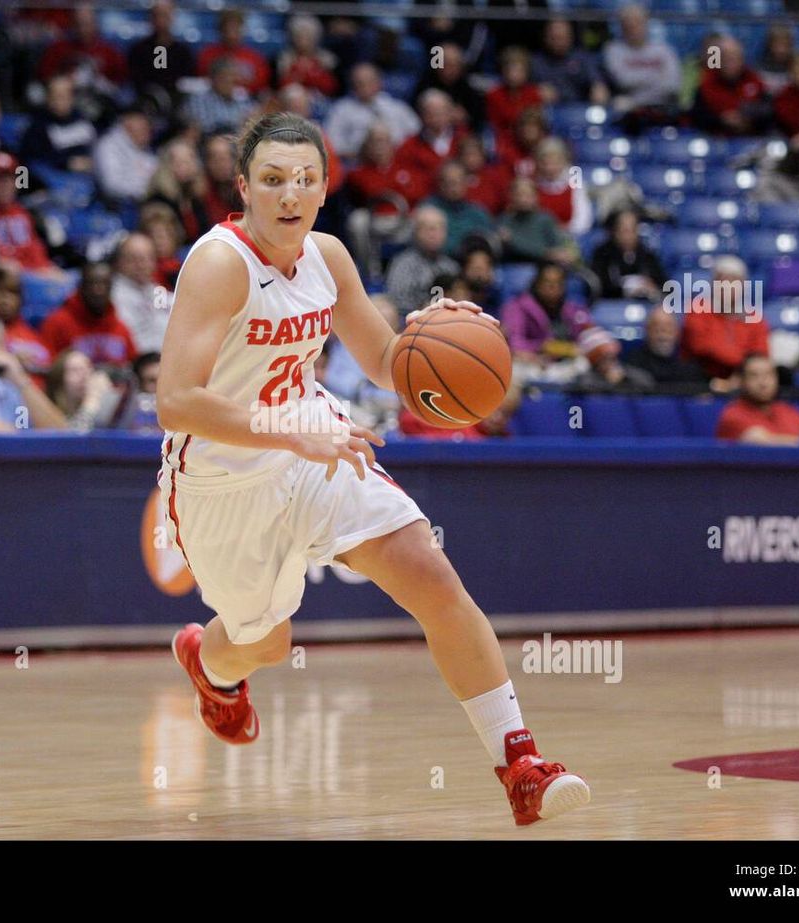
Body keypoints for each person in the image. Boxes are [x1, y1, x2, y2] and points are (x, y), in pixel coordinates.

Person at [159, 111, 589, 826]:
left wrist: (435, 333)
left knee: (431, 574)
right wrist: (288, 433)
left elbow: (389, 366)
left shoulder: (329, 257)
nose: (288, 194)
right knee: (266, 642)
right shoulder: (218, 263)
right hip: (222, 476)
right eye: (271, 180)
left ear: (325, 189)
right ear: (244, 187)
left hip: (313, 438)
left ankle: (520, 763)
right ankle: (209, 662)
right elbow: (176, 402)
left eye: (304, 179)